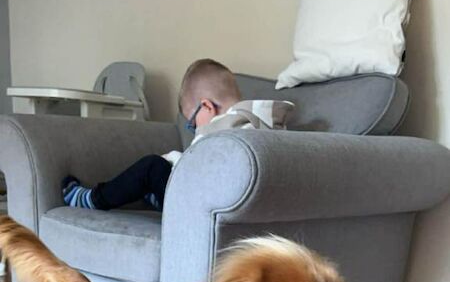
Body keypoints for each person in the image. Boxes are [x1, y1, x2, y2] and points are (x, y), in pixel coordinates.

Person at [62, 59, 294, 212]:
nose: (193, 129)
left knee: (152, 167)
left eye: (192, 123)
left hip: (205, 207)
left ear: (207, 106)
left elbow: (197, 168)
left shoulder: (224, 129)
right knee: (163, 169)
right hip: (235, 206)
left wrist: (171, 160)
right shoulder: (265, 123)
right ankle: (156, 195)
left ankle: (91, 199)